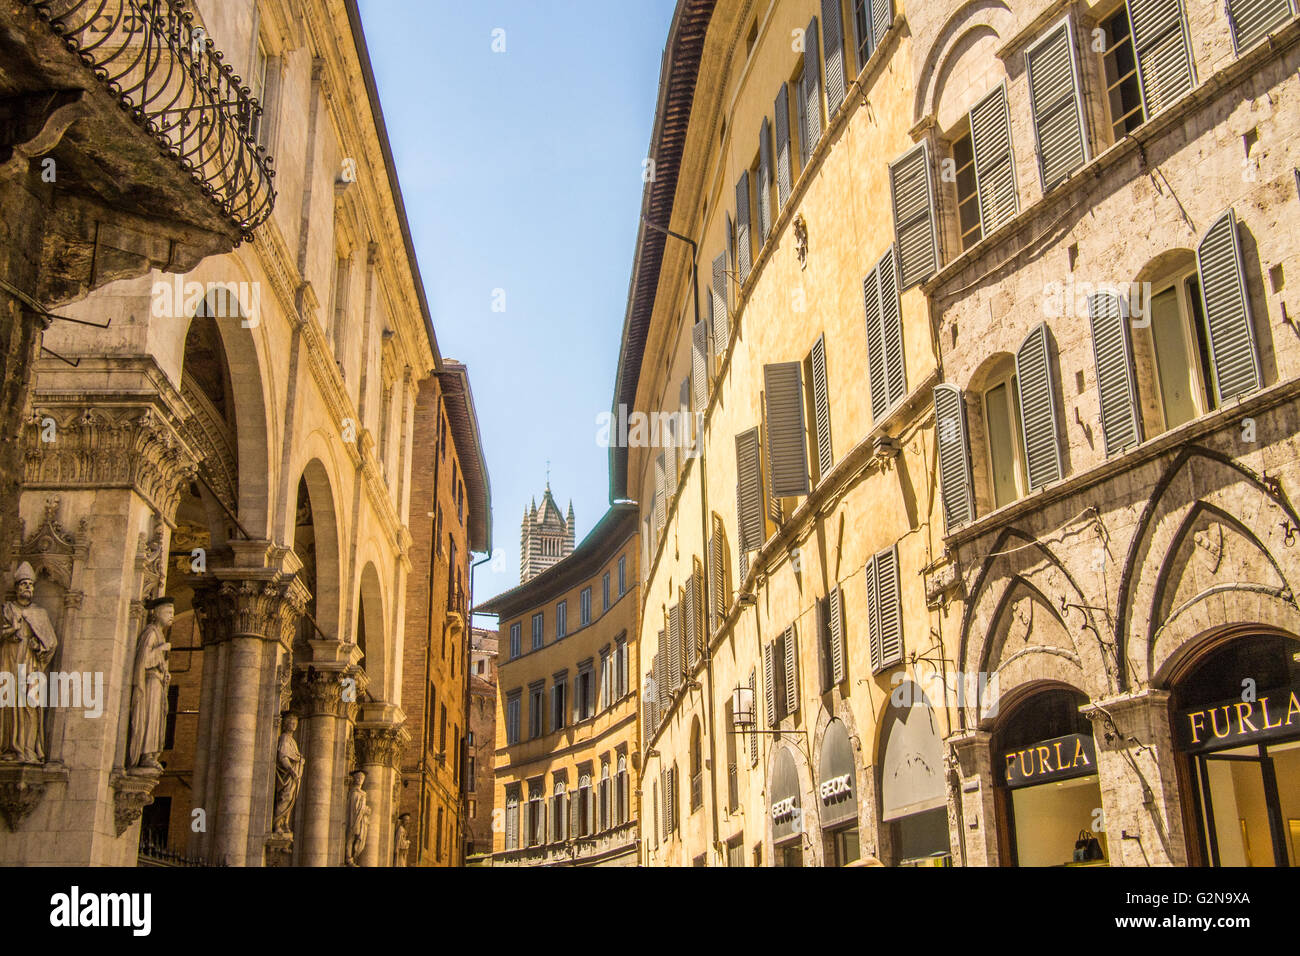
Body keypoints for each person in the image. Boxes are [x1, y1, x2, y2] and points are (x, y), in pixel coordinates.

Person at [0, 562, 58, 763]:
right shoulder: (7, 610)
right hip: (9, 662)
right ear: (16, 588)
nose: (27, 588)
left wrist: (38, 645)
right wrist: (10, 632)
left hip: (31, 666)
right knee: (8, 707)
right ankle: (9, 748)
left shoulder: (40, 614)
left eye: (30, 585)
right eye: (23, 584)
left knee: (29, 706)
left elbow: (51, 643)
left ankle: (28, 749)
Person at [127, 597, 172, 770]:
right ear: (157, 613)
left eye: (173, 613)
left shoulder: (158, 633)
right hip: (150, 683)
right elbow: (144, 661)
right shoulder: (151, 633)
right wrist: (161, 649)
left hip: (158, 683)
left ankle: (150, 754)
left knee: (155, 718)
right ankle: (145, 753)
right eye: (168, 612)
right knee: (150, 715)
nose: (171, 616)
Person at [273, 714, 305, 833]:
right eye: (291, 723)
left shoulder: (292, 741)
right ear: (285, 724)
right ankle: (277, 824)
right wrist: (292, 771)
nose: (294, 725)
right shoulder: (284, 738)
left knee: (290, 799)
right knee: (285, 798)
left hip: (293, 777)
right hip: (288, 776)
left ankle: (285, 822)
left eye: (295, 723)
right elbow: (283, 757)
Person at [346, 770, 370, 866]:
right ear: (355, 779)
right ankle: (349, 858)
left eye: (362, 778)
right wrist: (364, 810)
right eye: (358, 778)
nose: (360, 780)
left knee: (359, 839)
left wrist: (366, 811)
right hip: (354, 819)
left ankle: (354, 857)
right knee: (351, 838)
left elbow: (361, 807)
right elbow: (354, 807)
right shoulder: (354, 792)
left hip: (361, 820)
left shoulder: (362, 793)